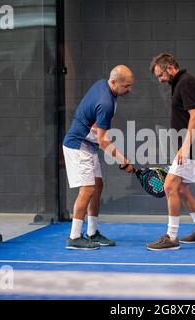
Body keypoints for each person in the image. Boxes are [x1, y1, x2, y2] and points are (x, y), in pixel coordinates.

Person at [63, 65, 135, 250]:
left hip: (88, 144)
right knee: (87, 190)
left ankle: (92, 232)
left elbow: (95, 121)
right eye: (126, 86)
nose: (129, 90)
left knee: (98, 185)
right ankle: (74, 237)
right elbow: (103, 141)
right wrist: (122, 160)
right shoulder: (106, 103)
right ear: (113, 82)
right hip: (78, 145)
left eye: (130, 85)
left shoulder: (102, 85)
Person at [147, 53, 195, 251]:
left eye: (160, 75)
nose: (160, 79)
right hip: (189, 146)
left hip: (190, 147)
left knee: (169, 187)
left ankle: (171, 237)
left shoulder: (186, 83)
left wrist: (184, 148)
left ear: (169, 67)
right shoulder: (179, 84)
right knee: (182, 190)